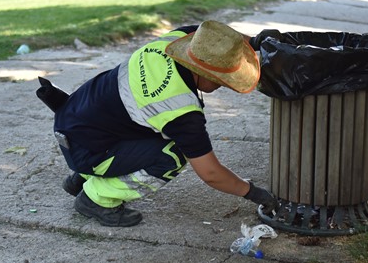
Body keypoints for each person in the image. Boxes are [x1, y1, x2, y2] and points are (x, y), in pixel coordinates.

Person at [46, 20, 279, 227]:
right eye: (221, 80)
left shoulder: (180, 41)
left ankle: (83, 178)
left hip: (74, 122)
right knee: (174, 154)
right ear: (202, 71)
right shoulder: (181, 109)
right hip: (87, 149)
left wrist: (255, 41)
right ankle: (96, 198)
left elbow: (212, 35)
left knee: (145, 125)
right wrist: (252, 192)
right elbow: (210, 172)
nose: (224, 86)